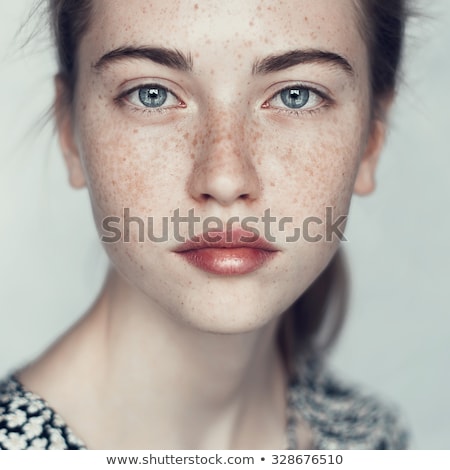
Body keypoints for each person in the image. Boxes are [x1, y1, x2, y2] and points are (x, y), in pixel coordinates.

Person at [0, 0, 410, 450]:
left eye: (297, 95)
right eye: (150, 93)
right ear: (69, 132)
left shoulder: (371, 438)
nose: (225, 178)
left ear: (373, 138)